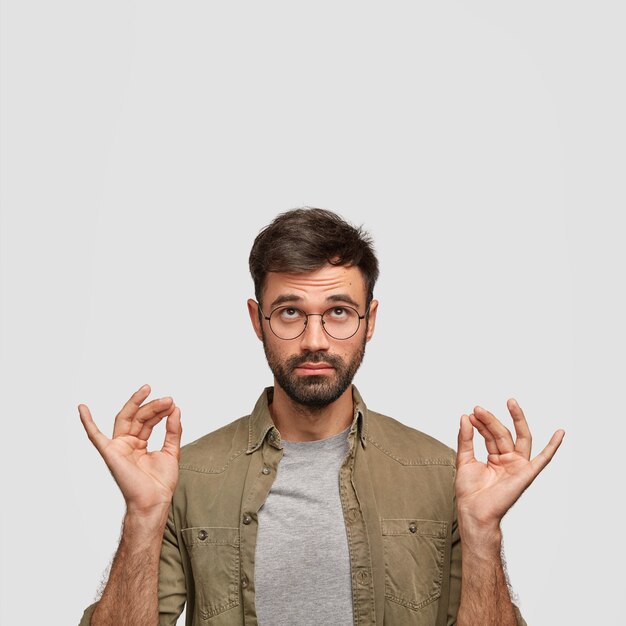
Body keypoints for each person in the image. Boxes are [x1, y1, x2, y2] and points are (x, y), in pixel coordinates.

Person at [78, 208, 564, 626]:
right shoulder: (187, 476)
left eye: (338, 312)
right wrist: (143, 517)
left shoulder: (443, 475)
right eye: (290, 312)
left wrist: (483, 532)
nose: (314, 339)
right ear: (257, 320)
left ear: (370, 321)